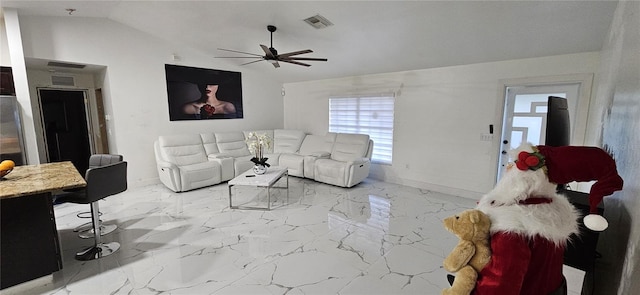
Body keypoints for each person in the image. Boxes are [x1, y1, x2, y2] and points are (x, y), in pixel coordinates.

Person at [471, 142, 623, 295]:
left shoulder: (510, 227)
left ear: (530, 178)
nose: (509, 167)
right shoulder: (550, 212)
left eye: (517, 163)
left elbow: (500, 286)